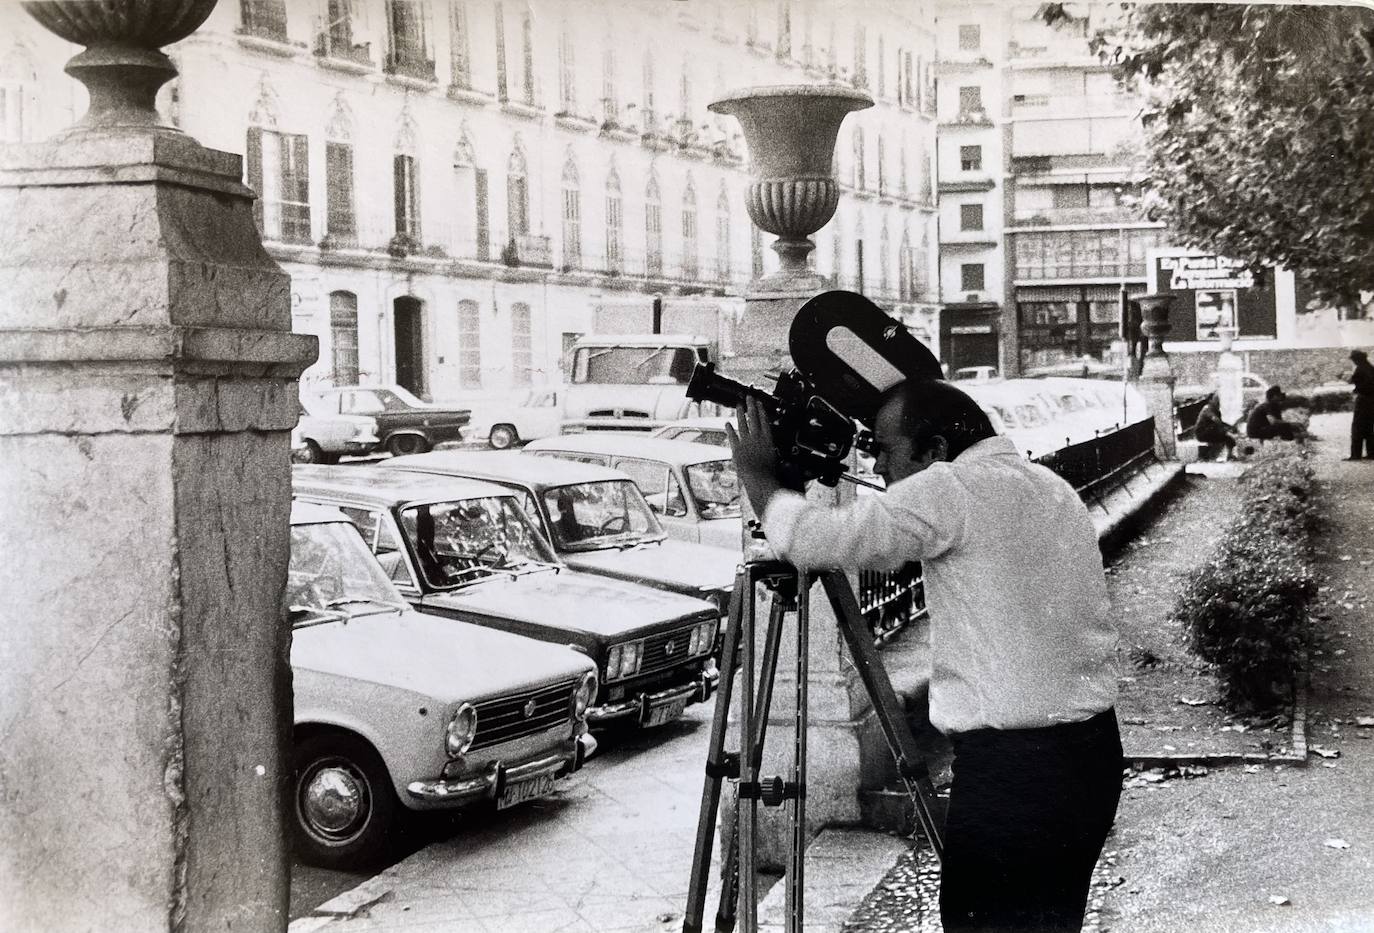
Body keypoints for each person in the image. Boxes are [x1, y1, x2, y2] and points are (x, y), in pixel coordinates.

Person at [727, 381, 1121, 933]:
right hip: (1091, 755)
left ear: (935, 450)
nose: (877, 465)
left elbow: (816, 539)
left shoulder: (952, 488)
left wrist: (761, 477)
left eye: (886, 449)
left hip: (1016, 770)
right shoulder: (1047, 485)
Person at [1194, 393, 1238, 461]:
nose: (1218, 402)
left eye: (1218, 400)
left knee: (1228, 439)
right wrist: (1227, 430)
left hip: (1210, 431)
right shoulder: (1207, 409)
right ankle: (1209, 456)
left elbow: (1219, 422)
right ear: (1210, 400)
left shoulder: (1216, 410)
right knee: (1224, 435)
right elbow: (1216, 420)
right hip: (1202, 433)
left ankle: (1230, 455)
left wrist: (1230, 427)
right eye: (1216, 399)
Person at [1347, 349, 1374, 460]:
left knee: (1357, 427)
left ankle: (1356, 454)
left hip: (1364, 400)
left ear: (1357, 359)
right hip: (1372, 401)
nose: (1353, 361)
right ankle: (1371, 453)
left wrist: (1357, 389)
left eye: (1354, 359)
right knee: (1369, 428)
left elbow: (1359, 382)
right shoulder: (1370, 367)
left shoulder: (1360, 369)